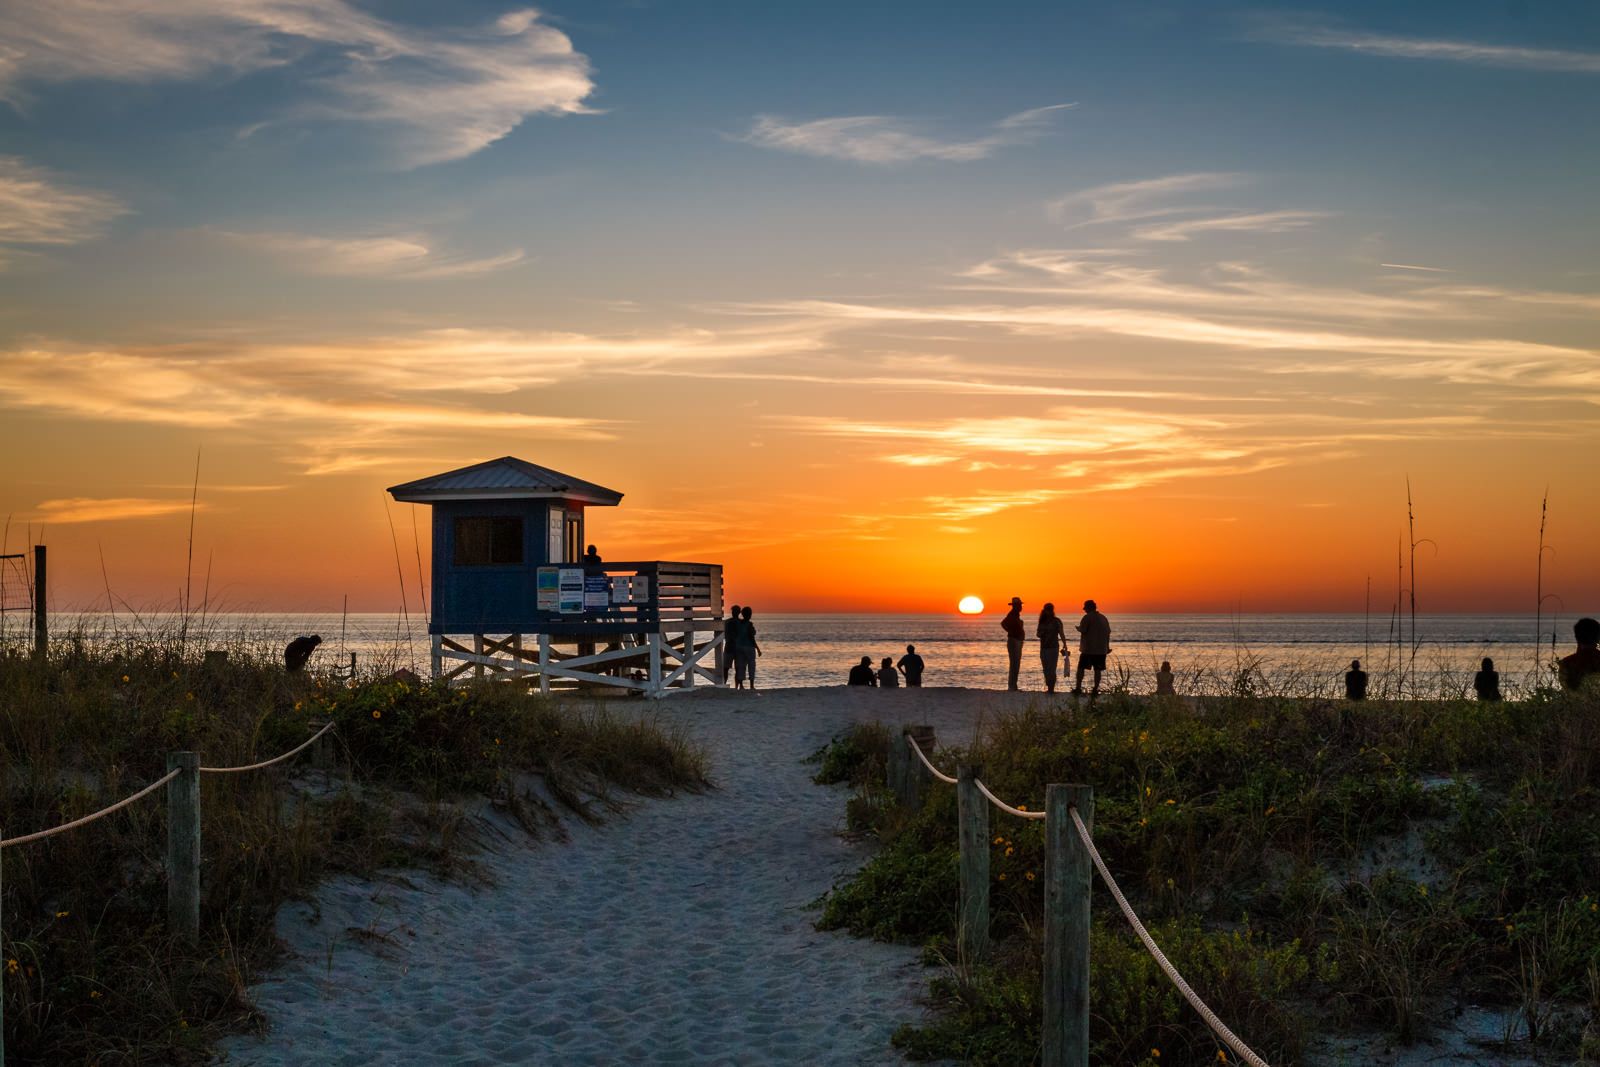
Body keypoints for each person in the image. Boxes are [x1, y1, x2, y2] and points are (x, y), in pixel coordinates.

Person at [1073, 600, 1111, 697]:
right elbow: (1108, 633)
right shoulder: (1103, 618)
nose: (1084, 609)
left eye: (1085, 607)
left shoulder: (1087, 617)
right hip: (1101, 649)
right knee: (1097, 670)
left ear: (1088, 608)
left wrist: (1078, 629)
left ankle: (1078, 688)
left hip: (1088, 649)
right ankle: (1095, 689)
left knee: (1081, 668)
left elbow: (1083, 630)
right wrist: (1107, 647)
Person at [1560, 617, 1600, 692]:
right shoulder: (1597, 659)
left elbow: (1566, 689)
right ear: (1597, 637)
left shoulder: (1566, 663)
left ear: (1576, 636)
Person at [1037, 602, 1066, 693]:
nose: (1049, 611)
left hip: (1053, 648)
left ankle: (1051, 689)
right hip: (1044, 648)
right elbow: (1038, 634)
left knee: (1052, 668)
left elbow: (1061, 633)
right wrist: (1042, 632)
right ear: (1044, 610)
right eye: (1047, 609)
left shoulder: (1057, 621)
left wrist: (1065, 644)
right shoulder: (1042, 621)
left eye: (1050, 609)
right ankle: (1049, 686)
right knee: (1045, 669)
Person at [735, 605, 762, 691]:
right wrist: (757, 648)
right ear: (749, 614)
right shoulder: (749, 625)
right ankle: (751, 685)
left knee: (741, 666)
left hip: (739, 647)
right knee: (751, 666)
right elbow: (751, 637)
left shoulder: (738, 624)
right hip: (749, 647)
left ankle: (741, 685)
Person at [1002, 596, 1026, 691]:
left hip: (1017, 640)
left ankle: (1013, 685)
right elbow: (1003, 623)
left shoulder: (1015, 615)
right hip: (1014, 641)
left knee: (1016, 663)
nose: (1021, 607)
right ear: (1015, 606)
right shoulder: (1012, 614)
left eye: (1020, 605)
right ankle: (1012, 686)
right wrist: (1011, 632)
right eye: (1019, 605)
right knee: (1014, 664)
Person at [722, 604, 742, 684]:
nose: (734, 613)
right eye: (734, 611)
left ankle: (738, 685)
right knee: (726, 668)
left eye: (736, 611)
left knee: (738, 668)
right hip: (730, 647)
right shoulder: (728, 622)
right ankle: (724, 683)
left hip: (735, 648)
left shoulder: (729, 622)